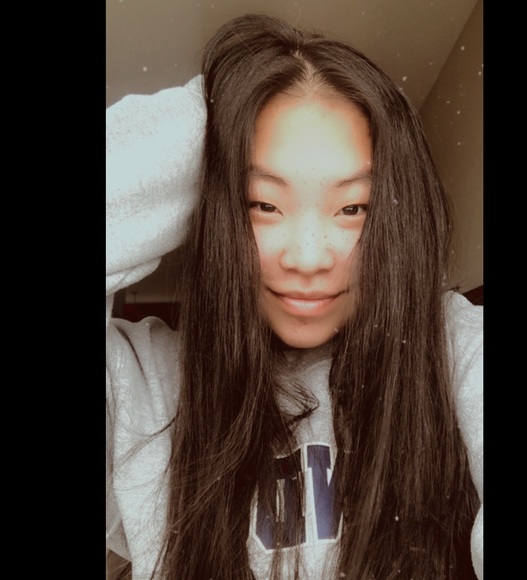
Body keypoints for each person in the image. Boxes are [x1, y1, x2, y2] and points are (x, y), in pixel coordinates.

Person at [106, 13, 483, 580]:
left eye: (353, 208)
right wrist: (212, 118)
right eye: (263, 204)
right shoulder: (142, 386)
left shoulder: (454, 348)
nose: (308, 258)